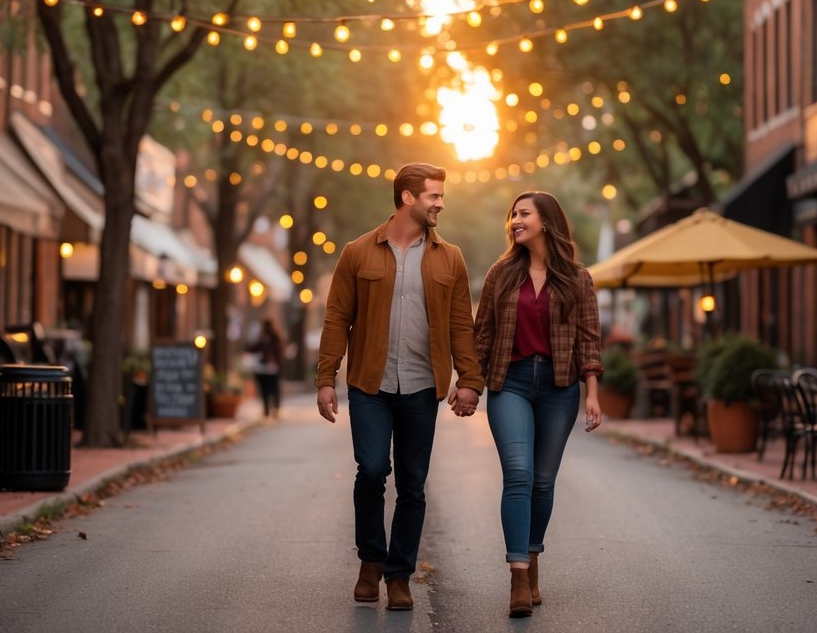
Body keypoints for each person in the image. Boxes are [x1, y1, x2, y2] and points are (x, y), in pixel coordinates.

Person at [316, 162, 483, 612]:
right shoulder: (357, 252)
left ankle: (399, 575)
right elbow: (337, 319)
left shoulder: (450, 257)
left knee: (412, 484)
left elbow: (460, 325)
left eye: (441, 196)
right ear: (408, 197)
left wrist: (470, 379)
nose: (440, 203)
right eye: (433, 196)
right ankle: (370, 561)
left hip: (421, 388)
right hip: (369, 385)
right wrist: (325, 378)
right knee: (371, 471)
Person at [473, 191, 603, 618]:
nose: (514, 220)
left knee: (544, 482)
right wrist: (469, 384)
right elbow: (483, 334)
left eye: (523, 213)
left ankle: (532, 563)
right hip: (509, 382)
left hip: (558, 387)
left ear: (545, 221)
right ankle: (517, 575)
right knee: (520, 474)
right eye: (512, 214)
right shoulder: (501, 274)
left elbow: (589, 339)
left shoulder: (578, 279)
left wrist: (592, 394)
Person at [252, 319, 283, 417]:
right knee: (271, 390)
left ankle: (270, 409)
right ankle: (271, 409)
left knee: (268, 390)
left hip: (268, 368)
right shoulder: (273, 338)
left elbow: (254, 348)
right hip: (267, 368)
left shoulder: (269, 338)